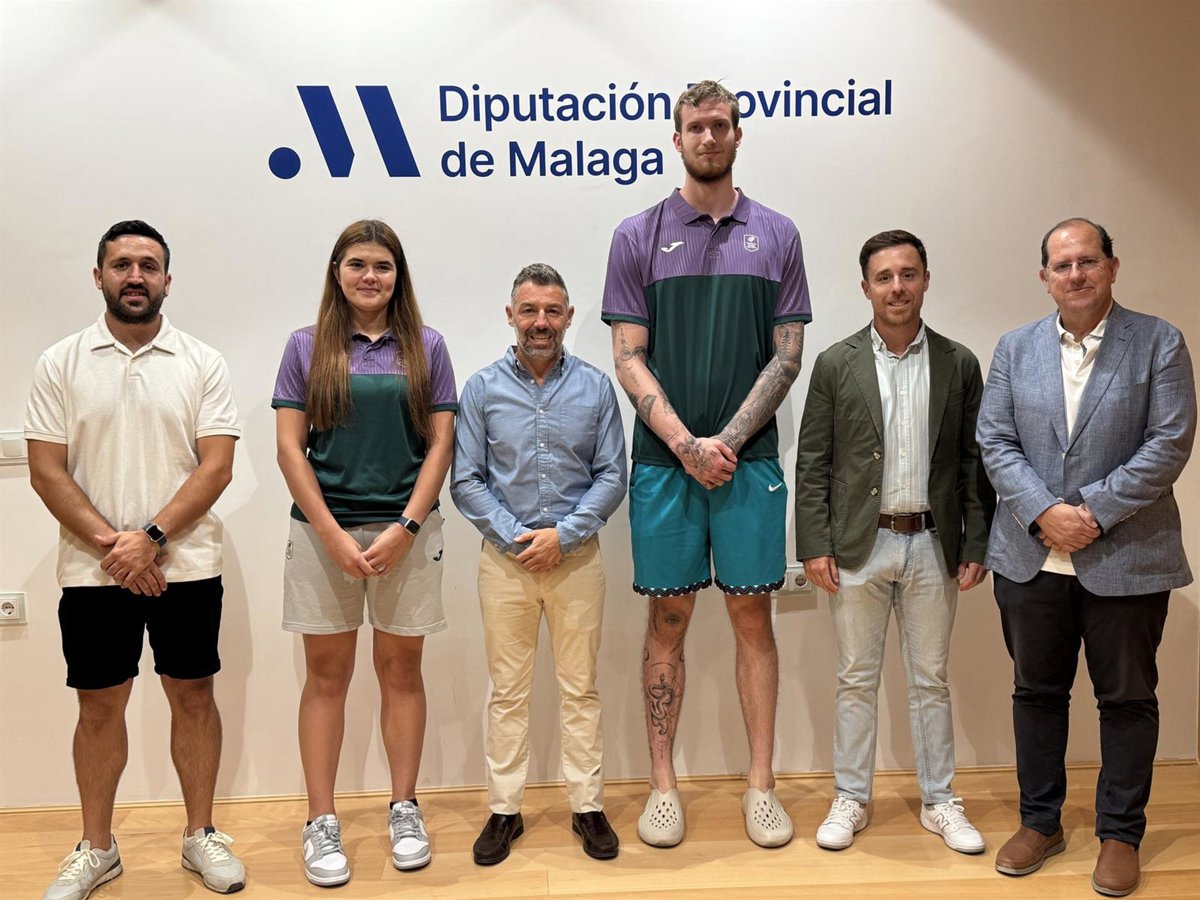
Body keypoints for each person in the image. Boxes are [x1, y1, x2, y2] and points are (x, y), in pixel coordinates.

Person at [602, 80, 810, 849]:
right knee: (668, 618)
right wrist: (688, 445)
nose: (709, 136)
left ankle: (761, 785)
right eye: (696, 126)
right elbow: (628, 356)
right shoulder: (636, 235)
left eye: (721, 124)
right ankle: (663, 787)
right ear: (677, 137)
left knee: (753, 617)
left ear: (738, 134)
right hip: (665, 467)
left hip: (749, 464)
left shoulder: (778, 234)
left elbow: (787, 358)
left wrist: (723, 443)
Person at [26, 220, 245, 898]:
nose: (135, 276)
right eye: (122, 264)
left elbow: (217, 466)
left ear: (167, 281)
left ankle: (200, 835)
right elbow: (46, 470)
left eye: (149, 265)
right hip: (93, 572)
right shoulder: (60, 362)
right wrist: (117, 548)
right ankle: (97, 847)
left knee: (194, 696)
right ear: (99, 276)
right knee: (98, 707)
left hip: (187, 566)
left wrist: (150, 538)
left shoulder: (202, 362)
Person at [977, 218, 1195, 897]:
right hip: (1030, 557)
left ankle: (1120, 833)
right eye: (1062, 265)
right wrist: (1045, 511)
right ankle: (1040, 822)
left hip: (1128, 555)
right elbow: (995, 440)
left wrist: (1092, 511)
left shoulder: (1159, 342)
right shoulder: (1014, 348)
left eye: (1088, 261)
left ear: (1112, 267)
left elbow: (1169, 442)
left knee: (1126, 698)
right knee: (1036, 693)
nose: (1076, 274)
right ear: (1044, 277)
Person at [795, 230, 994, 854]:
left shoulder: (959, 363)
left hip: (934, 544)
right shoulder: (836, 363)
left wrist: (976, 543)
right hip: (860, 544)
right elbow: (814, 461)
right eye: (884, 277)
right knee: (856, 677)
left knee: (930, 679)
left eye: (908, 274)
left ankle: (940, 801)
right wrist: (814, 544)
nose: (897, 287)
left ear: (926, 280)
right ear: (866, 288)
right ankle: (851, 796)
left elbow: (974, 461)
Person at [272, 219, 457, 886]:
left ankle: (404, 808)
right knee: (325, 678)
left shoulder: (427, 346)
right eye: (357, 264)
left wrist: (405, 526)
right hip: (322, 533)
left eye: (382, 265)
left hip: (407, 534)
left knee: (402, 672)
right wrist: (329, 533)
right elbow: (289, 447)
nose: (369, 276)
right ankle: (321, 821)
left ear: (398, 276)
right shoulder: (306, 345)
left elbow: (441, 445)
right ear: (337, 272)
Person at [451, 263, 627, 865]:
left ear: (569, 316)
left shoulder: (597, 388)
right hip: (506, 565)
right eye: (529, 310)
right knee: (507, 692)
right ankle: (505, 809)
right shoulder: (481, 389)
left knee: (580, 688)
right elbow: (467, 479)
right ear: (511, 315)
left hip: (578, 561)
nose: (541, 322)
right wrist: (519, 539)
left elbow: (612, 475)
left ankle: (587, 806)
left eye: (552, 311)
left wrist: (564, 536)